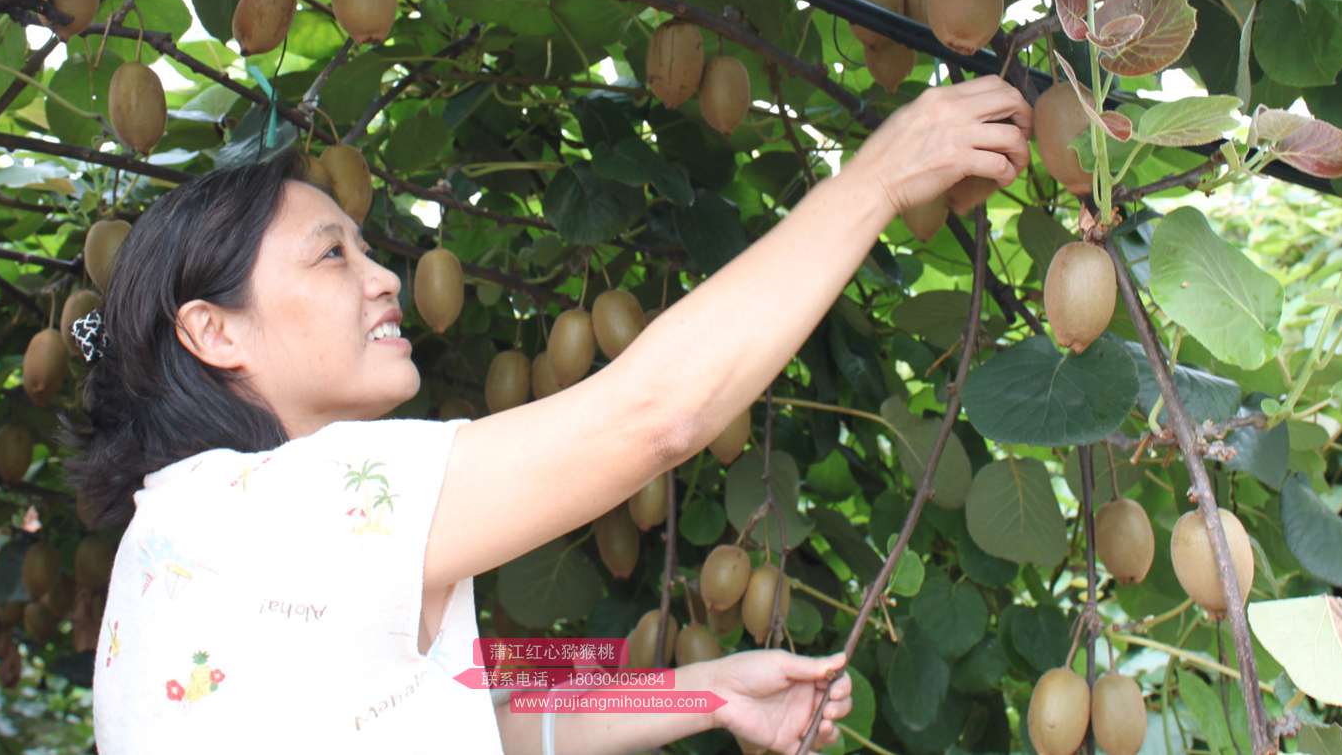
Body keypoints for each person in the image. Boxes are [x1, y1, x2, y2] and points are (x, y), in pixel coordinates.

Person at [66, 75, 1032, 754]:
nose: (384, 279)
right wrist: (877, 179)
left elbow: (461, 721)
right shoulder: (282, 505)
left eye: (368, 251)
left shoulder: (198, 527)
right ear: (213, 331)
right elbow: (652, 415)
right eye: (332, 256)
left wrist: (704, 691)